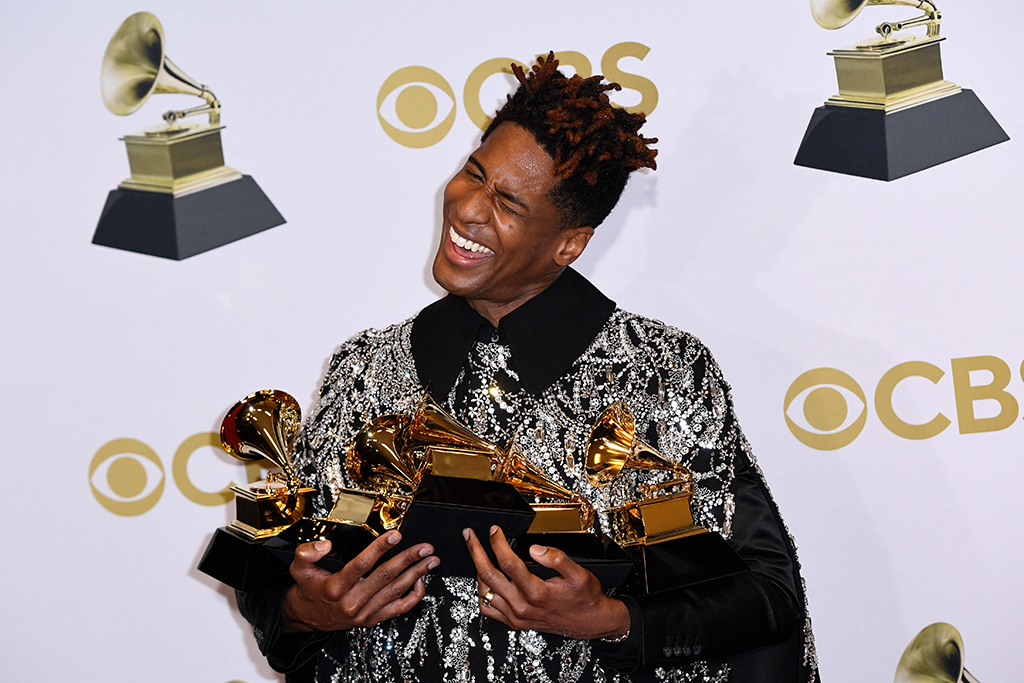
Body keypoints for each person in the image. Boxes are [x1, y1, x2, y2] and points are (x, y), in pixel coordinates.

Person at [236, 53, 820, 683]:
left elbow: (766, 597)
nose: (468, 208)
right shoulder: (367, 367)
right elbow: (277, 575)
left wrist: (612, 620)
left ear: (570, 243)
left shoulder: (658, 372)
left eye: (509, 202)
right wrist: (305, 609)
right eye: (473, 173)